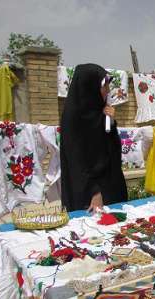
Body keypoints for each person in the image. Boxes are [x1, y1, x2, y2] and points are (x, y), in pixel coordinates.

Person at [60, 64, 127, 212]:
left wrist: (112, 124)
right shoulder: (73, 118)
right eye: (104, 86)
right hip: (88, 195)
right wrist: (94, 192)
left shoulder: (100, 113)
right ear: (89, 86)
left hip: (110, 188)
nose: (108, 91)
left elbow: (113, 153)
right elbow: (76, 161)